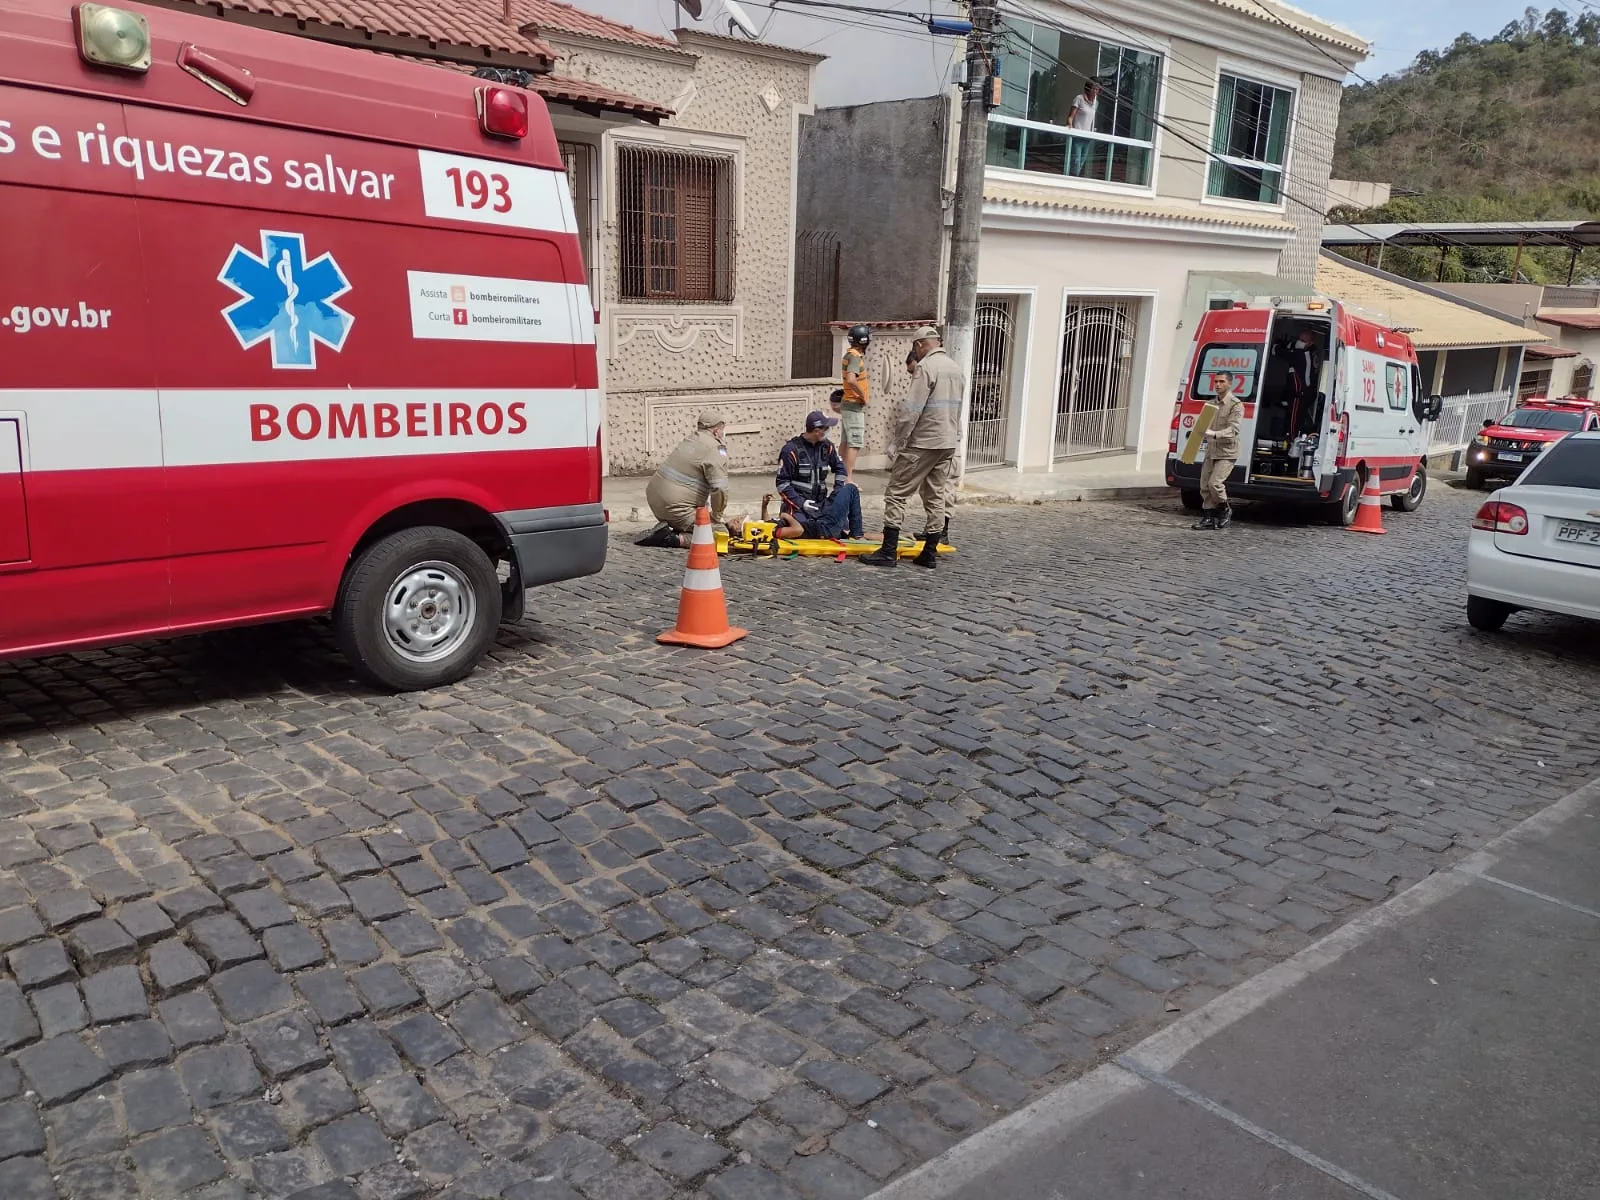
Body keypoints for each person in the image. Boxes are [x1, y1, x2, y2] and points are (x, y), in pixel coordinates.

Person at [863, 326, 962, 570]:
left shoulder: (925, 367)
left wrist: (897, 442)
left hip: (923, 442)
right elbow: (957, 408)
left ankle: (888, 552)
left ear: (919, 345)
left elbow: (912, 409)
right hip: (947, 443)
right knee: (936, 495)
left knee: (896, 493)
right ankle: (929, 553)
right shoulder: (955, 368)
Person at [640, 411, 743, 548]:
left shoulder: (690, 439)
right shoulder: (715, 449)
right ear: (717, 430)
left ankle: (675, 527)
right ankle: (672, 539)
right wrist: (717, 517)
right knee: (719, 533)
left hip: (655, 499)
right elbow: (720, 489)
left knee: (702, 514)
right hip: (675, 508)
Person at [772, 411, 864, 540]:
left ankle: (857, 535)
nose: (828, 431)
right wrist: (801, 503)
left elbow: (840, 469)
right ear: (816, 431)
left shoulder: (827, 447)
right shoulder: (791, 450)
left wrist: (837, 492)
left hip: (822, 504)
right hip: (798, 507)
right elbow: (782, 483)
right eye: (826, 428)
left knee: (843, 521)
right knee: (803, 530)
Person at [1195, 373, 1243, 530]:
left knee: (1215, 483)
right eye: (1215, 381)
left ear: (1229, 384)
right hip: (1212, 450)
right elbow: (1202, 427)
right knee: (1204, 485)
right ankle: (1208, 517)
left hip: (1227, 451)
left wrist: (1214, 434)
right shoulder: (1210, 404)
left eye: (1221, 381)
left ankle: (1224, 510)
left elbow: (1234, 429)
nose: (1217, 384)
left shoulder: (1236, 405)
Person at [839, 324, 872, 478]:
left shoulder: (849, 355)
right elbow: (852, 379)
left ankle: (841, 476)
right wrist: (863, 395)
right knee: (854, 443)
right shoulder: (854, 357)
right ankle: (848, 479)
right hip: (853, 405)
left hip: (848, 403)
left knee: (846, 442)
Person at [1067, 80, 1101, 177]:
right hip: (1078, 135)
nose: (1096, 91)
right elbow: (1070, 116)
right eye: (1094, 89)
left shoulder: (1096, 103)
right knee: (1076, 161)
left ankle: (1075, 178)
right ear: (1088, 89)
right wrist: (1070, 125)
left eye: (1097, 90)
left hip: (1087, 137)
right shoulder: (1079, 99)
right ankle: (1072, 179)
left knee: (1082, 161)